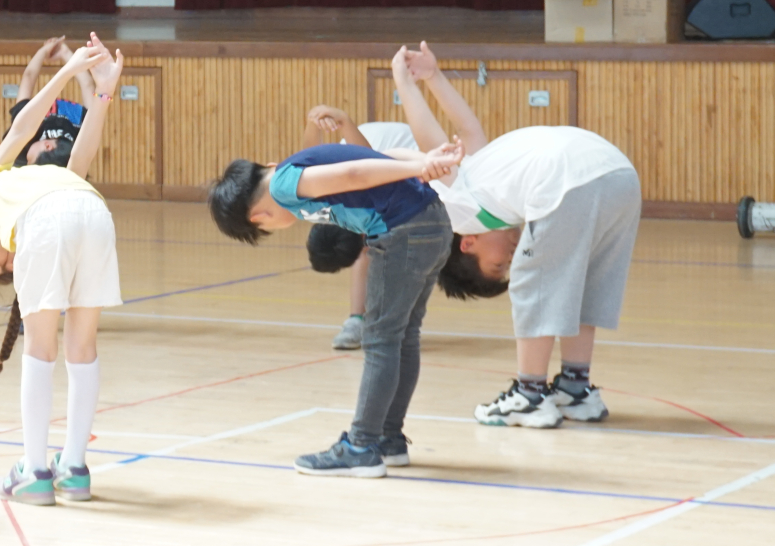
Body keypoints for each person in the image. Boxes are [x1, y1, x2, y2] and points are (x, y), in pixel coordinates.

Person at [207, 72, 464, 479]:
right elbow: (370, 163)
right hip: (433, 224)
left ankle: (362, 445)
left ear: (258, 218)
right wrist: (422, 163)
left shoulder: (284, 188)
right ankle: (388, 439)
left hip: (403, 232)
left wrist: (422, 165)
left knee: (380, 339)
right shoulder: (291, 175)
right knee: (401, 336)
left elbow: (355, 176)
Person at [391, 43, 641, 429]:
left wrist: (408, 82)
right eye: (507, 263)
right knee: (582, 284)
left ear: (467, 242)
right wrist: (435, 77)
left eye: (497, 263)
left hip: (570, 176)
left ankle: (528, 395)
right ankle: (576, 390)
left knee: (531, 284)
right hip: (618, 173)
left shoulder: (459, 209)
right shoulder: (485, 176)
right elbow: (470, 129)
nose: (509, 254)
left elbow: (434, 140)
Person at [0, 34, 126, 506]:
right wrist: (102, 93)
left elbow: (23, 126)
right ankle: (72, 469)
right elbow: (85, 146)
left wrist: (75, 74)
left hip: (70, 216)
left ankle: (35, 471)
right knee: (80, 346)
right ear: (8, 261)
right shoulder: (38, 200)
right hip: (91, 215)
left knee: (44, 348)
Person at [302, 105, 425, 352]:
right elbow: (307, 155)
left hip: (413, 147)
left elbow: (368, 160)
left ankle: (365, 321)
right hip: (372, 147)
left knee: (400, 246)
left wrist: (337, 120)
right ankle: (359, 320)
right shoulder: (319, 195)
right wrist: (311, 124)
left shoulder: (367, 188)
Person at [9, 36, 96, 167]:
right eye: (30, 159)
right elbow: (29, 76)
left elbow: (88, 84)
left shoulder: (81, 141)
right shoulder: (25, 138)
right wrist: (47, 52)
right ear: (48, 146)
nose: (27, 158)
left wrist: (61, 52)